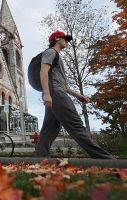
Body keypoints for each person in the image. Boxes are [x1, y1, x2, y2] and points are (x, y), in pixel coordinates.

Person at [36, 31, 114, 159]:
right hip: (55, 94)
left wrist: (78, 95)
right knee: (76, 125)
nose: (66, 41)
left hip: (56, 93)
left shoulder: (57, 57)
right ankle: (106, 159)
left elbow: (64, 85)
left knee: (49, 130)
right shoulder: (51, 52)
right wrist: (46, 94)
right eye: (65, 39)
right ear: (57, 39)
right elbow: (43, 71)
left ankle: (39, 159)